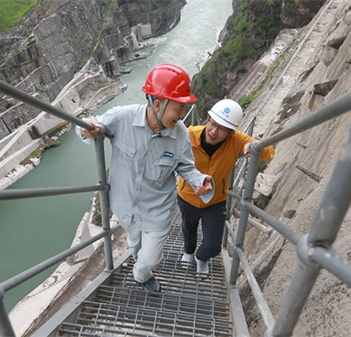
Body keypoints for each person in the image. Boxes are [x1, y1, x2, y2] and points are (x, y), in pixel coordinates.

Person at [77, 63, 215, 293]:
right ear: (158, 104)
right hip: (125, 206)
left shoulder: (179, 135)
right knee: (135, 246)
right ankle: (142, 269)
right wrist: (87, 130)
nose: (182, 115)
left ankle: (141, 276)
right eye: (179, 108)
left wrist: (199, 179)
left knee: (150, 259)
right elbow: (90, 125)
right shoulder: (123, 118)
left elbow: (185, 166)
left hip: (157, 209)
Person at [177, 99, 275, 277]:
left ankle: (201, 257)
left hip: (215, 201)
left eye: (222, 128)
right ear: (207, 119)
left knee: (213, 246)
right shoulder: (189, 135)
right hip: (188, 195)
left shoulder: (236, 141)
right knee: (188, 228)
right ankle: (188, 253)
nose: (214, 132)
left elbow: (269, 150)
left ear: (231, 132)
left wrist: (252, 147)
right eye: (212, 124)